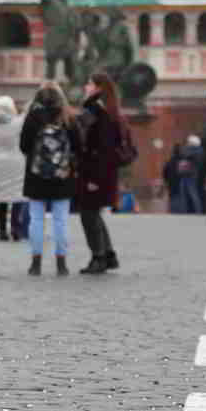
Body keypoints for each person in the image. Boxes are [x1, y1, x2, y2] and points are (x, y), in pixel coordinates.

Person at [76, 69, 135, 273]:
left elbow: (101, 149)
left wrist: (94, 178)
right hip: (101, 171)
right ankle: (108, 255)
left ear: (98, 88)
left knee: (88, 214)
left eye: (89, 84)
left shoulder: (97, 112)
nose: (86, 87)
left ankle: (99, 257)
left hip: (96, 173)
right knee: (93, 213)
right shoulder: (107, 110)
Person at [20, 82, 81, 276]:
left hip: (36, 176)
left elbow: (23, 146)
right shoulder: (67, 117)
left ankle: (36, 263)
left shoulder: (32, 117)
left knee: (36, 220)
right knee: (61, 221)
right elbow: (78, 146)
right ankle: (61, 263)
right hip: (62, 177)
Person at [0, 96, 27, 241]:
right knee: (17, 195)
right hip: (15, 160)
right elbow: (25, 116)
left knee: (1, 197)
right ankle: (15, 228)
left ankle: (2, 230)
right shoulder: (17, 123)